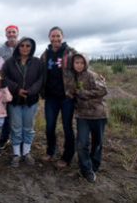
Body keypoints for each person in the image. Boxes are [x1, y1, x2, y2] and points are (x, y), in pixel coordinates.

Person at [64, 54, 108, 183]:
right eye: (76, 63)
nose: (79, 65)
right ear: (73, 64)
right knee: (82, 143)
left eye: (81, 63)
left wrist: (84, 93)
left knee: (97, 142)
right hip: (82, 115)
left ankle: (94, 166)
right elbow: (70, 92)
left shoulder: (92, 75)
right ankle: (86, 169)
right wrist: (69, 92)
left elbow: (103, 90)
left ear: (86, 64)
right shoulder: (72, 77)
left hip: (98, 114)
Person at [2, 37, 43, 167]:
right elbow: (4, 78)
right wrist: (16, 89)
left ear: (32, 48)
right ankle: (16, 154)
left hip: (31, 101)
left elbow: (41, 79)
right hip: (15, 101)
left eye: (28, 46)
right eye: (22, 45)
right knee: (16, 128)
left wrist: (31, 91)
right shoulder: (9, 62)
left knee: (29, 128)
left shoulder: (37, 62)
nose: (25, 48)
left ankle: (26, 152)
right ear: (18, 47)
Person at [40, 26, 77, 168]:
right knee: (50, 126)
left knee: (67, 127)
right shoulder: (45, 54)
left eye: (58, 36)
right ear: (49, 37)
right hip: (51, 97)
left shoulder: (70, 53)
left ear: (62, 36)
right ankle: (51, 151)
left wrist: (96, 78)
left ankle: (67, 157)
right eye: (53, 36)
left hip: (66, 97)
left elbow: (82, 65)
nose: (55, 39)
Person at [0, 25, 19, 150]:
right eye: (9, 32)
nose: (11, 34)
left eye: (13, 32)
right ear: (6, 35)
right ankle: (4, 139)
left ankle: (18, 140)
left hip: (21, 87)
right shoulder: (0, 50)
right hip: (6, 88)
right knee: (6, 116)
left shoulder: (23, 47)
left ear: (17, 33)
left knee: (19, 116)